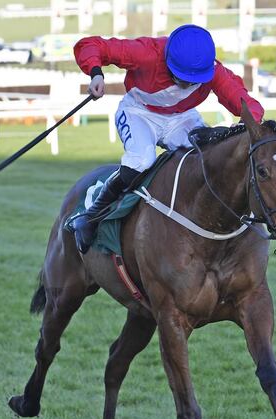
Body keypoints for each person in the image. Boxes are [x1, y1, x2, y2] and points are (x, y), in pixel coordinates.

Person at [71, 24, 264, 253]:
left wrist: (249, 122)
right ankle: (91, 216)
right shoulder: (147, 51)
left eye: (194, 80)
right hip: (138, 113)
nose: (187, 84)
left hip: (181, 118)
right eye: (182, 77)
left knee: (209, 158)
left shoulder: (213, 70)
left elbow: (244, 101)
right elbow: (91, 45)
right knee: (141, 162)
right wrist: (96, 73)